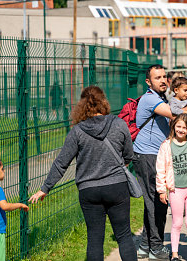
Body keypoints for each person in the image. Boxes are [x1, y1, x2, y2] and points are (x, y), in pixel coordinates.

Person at [29, 86, 138, 260]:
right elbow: (128, 154)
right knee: (124, 236)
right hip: (116, 186)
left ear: (82, 106)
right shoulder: (119, 123)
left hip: (89, 189)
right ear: (104, 102)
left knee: (95, 239)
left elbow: (61, 163)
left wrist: (45, 188)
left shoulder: (77, 131)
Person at [131, 64, 173, 260]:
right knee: (156, 202)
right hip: (148, 156)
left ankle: (145, 246)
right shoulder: (150, 99)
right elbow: (175, 114)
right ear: (148, 82)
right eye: (158, 78)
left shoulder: (159, 97)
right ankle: (156, 248)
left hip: (155, 155)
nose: (163, 80)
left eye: (165, 77)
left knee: (156, 202)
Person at [156, 114, 187, 261]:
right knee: (177, 223)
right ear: (173, 127)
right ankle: (175, 255)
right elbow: (160, 169)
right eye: (178, 126)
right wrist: (161, 190)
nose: (181, 130)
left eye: (185, 127)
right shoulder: (166, 145)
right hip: (175, 190)